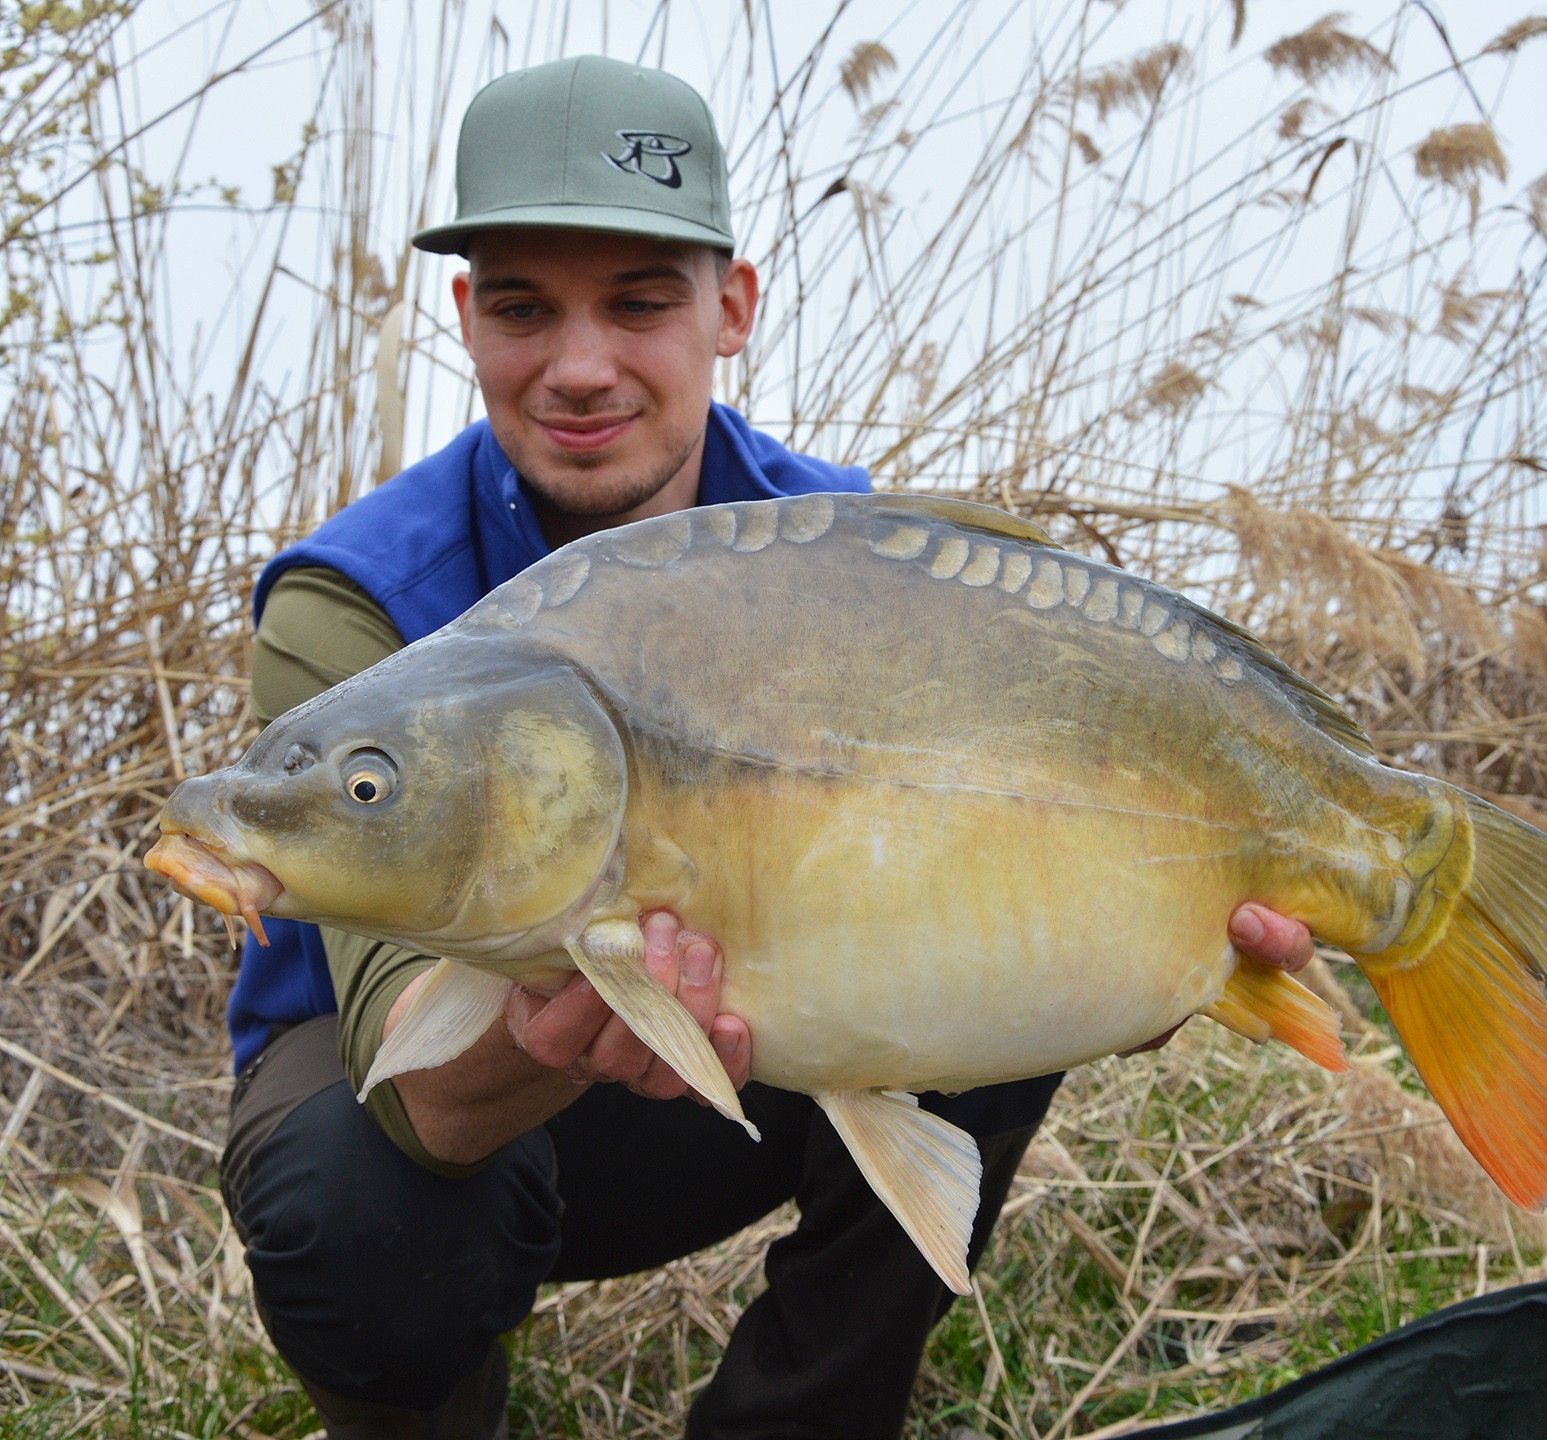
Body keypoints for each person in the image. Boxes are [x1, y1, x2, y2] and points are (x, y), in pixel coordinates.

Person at [217, 54, 1318, 1440]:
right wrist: (569, 1025)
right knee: (352, 1206)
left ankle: (796, 1420)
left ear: (728, 307)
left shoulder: (862, 562)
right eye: (522, 307)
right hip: (441, 1115)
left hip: (750, 1046)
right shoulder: (355, 597)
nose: (579, 366)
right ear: (467, 320)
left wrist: (1159, 946)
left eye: (638, 302)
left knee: (987, 949)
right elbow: (417, 1098)